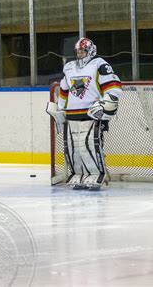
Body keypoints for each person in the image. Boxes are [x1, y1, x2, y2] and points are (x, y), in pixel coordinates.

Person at [55, 37, 122, 190]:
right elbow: (64, 90)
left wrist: (105, 105)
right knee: (73, 147)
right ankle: (77, 174)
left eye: (82, 50)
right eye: (77, 51)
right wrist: (60, 108)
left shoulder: (100, 64)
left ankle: (96, 174)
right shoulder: (69, 67)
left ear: (90, 50)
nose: (79, 53)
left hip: (92, 113)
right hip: (72, 114)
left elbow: (114, 87)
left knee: (89, 145)